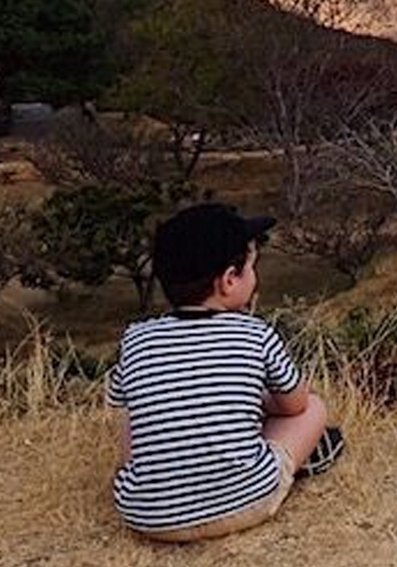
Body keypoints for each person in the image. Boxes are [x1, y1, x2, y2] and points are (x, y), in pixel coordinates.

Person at [106, 202, 345, 543]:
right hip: (246, 502)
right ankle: (288, 462)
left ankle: (153, 476)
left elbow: (123, 407)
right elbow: (295, 404)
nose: (254, 275)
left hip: (148, 516)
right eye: (251, 267)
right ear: (230, 280)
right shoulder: (254, 332)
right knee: (314, 407)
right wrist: (257, 402)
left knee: (133, 412)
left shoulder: (136, 338)